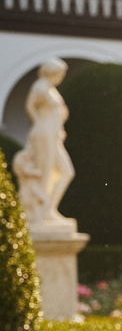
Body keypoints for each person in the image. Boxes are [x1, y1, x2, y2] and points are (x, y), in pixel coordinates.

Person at [12, 58, 75, 223]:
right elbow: (30, 107)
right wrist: (42, 126)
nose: (61, 77)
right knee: (46, 173)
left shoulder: (50, 88)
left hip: (52, 135)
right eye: (60, 73)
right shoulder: (40, 86)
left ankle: (49, 209)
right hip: (44, 134)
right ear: (52, 72)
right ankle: (42, 213)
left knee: (67, 172)